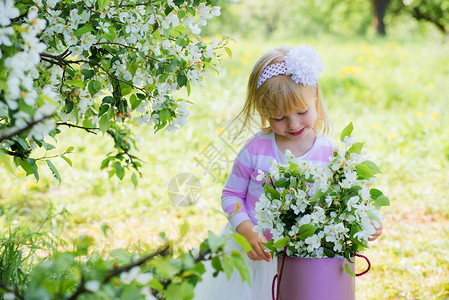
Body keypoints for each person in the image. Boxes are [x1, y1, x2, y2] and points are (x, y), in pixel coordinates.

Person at [194, 45, 383, 300]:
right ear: (264, 113)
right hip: (256, 254)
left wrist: (366, 220)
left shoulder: (330, 153)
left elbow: (346, 199)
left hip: (305, 257)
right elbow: (230, 195)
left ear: (314, 98)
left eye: (302, 112)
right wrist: (248, 230)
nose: (293, 124)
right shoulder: (255, 150)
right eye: (279, 117)